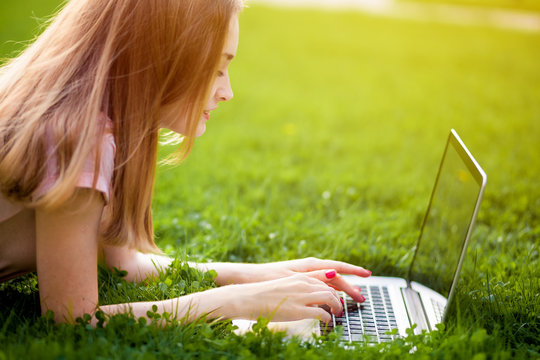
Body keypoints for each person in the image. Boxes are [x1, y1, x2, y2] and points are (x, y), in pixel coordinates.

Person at [0, 0, 371, 325]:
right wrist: (236, 302)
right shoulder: (79, 135)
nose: (227, 92)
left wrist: (264, 275)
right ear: (162, 57)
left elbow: (122, 264)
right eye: (216, 68)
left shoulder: (99, 116)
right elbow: (74, 319)